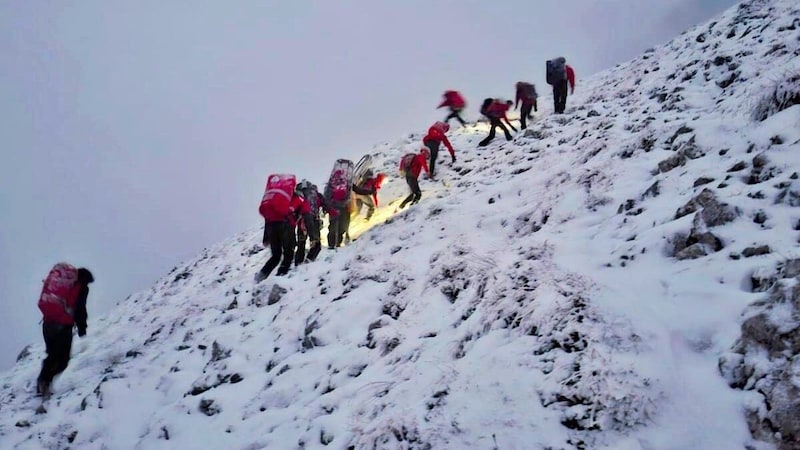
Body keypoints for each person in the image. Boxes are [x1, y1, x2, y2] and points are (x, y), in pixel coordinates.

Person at [37, 266, 94, 398]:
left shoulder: (65, 283)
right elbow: (80, 308)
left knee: (52, 355)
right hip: (63, 326)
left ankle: (43, 382)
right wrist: (82, 328)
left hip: (48, 324)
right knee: (62, 360)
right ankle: (45, 383)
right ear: (85, 280)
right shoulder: (81, 287)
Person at [256, 190, 310, 281]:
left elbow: (268, 220)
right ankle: (281, 277)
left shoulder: (276, 201)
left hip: (272, 228)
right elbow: (306, 209)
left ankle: (261, 276)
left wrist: (266, 238)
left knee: (276, 256)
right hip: (287, 227)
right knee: (289, 253)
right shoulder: (298, 198)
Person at [294, 181, 338, 265]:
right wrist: (334, 212)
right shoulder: (317, 195)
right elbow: (326, 205)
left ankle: (298, 264)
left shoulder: (298, 196)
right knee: (316, 245)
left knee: (301, 244)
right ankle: (308, 262)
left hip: (302, 222)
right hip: (314, 221)